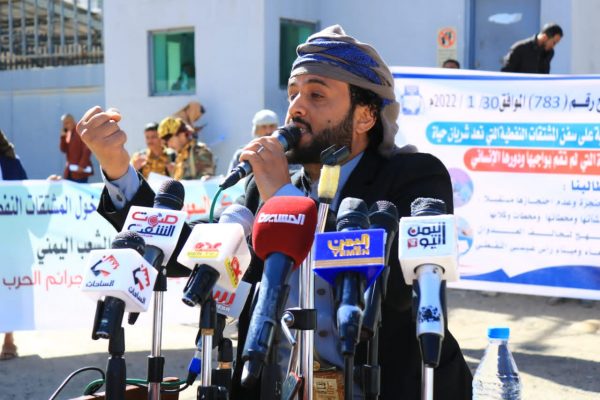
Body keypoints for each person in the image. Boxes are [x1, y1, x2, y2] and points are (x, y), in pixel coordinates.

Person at [76, 24, 472, 399]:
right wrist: (117, 168)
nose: (296, 108)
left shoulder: (414, 176)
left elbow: (394, 289)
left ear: (365, 116)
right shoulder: (260, 188)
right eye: (292, 94)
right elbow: (193, 251)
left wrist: (283, 198)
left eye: (316, 95)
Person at [0, 129, 28, 361]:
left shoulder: (11, 163)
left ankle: (8, 339)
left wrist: (50, 188)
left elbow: (27, 197)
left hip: (8, 235)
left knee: (8, 287)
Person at [157, 116, 216, 180]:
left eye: (169, 140)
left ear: (182, 134)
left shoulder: (199, 150)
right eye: (166, 143)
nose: (169, 145)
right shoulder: (179, 156)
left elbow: (206, 179)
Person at [59, 113, 94, 182]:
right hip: (70, 170)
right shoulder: (68, 133)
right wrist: (63, 137)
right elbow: (63, 149)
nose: (65, 126)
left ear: (73, 121)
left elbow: (87, 149)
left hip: (79, 171)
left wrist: (82, 165)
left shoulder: (80, 131)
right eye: (64, 124)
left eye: (67, 123)